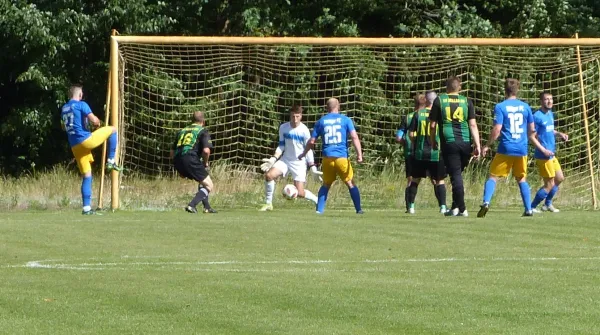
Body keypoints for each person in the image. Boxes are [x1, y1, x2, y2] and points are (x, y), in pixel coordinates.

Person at [477, 78, 546, 217]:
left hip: (506, 147)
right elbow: (532, 129)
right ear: (517, 90)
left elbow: (497, 129)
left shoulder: (500, 106)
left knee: (493, 176)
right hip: (521, 148)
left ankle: (486, 202)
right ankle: (528, 209)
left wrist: (487, 145)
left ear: (505, 90)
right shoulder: (525, 107)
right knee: (521, 179)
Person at [60, 84, 121, 215]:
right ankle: (111, 160)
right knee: (113, 130)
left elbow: (64, 127)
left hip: (75, 146)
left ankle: (86, 208)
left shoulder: (64, 108)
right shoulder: (82, 105)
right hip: (85, 141)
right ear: (80, 95)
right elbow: (94, 120)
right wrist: (97, 122)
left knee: (87, 176)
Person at [298, 98, 363, 214]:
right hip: (341, 158)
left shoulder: (321, 121)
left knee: (326, 184)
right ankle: (359, 210)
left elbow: (312, 141)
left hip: (327, 158)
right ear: (339, 106)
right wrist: (359, 155)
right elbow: (354, 137)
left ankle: (319, 210)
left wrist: (303, 153)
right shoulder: (346, 120)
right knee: (350, 183)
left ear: (327, 108)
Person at [429, 77, 481, 217]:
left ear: (447, 87)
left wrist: (433, 141)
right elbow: (473, 125)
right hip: (465, 143)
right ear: (460, 87)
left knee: (455, 175)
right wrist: (478, 145)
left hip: (449, 142)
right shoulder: (467, 101)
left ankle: (463, 209)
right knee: (457, 173)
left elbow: (433, 125)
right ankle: (455, 207)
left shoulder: (440, 100)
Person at [258, 105, 323, 211]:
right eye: (293, 116)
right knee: (269, 175)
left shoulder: (304, 130)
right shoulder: (283, 128)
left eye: (297, 116)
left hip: (299, 163)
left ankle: (317, 200)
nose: (295, 119)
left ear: (301, 116)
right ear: (290, 116)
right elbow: (281, 145)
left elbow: (309, 149)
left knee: (300, 193)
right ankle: (268, 204)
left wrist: (312, 167)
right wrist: (273, 159)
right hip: (285, 160)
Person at [396, 91, 438, 213]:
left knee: (411, 180)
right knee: (436, 180)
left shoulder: (409, 117)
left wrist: (407, 144)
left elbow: (398, 137)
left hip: (411, 153)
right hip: (429, 151)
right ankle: (442, 205)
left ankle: (409, 207)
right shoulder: (432, 115)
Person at [408, 93, 448, 214]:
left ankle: (411, 207)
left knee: (415, 180)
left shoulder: (418, 114)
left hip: (420, 152)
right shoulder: (440, 114)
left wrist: (417, 140)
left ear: (426, 100)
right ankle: (443, 207)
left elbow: (411, 134)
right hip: (435, 153)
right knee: (439, 180)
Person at [171, 111, 217, 214]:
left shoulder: (182, 131)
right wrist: (205, 163)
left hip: (178, 159)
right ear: (203, 121)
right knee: (209, 185)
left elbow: (172, 152)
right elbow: (206, 151)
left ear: (192, 121)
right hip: (190, 158)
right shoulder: (202, 131)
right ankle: (192, 205)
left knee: (202, 180)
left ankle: (207, 207)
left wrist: (179, 167)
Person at [530, 92, 568, 213]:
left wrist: (559, 134)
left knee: (560, 178)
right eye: (546, 99)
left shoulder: (550, 114)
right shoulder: (537, 116)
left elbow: (549, 130)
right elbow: (532, 137)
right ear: (541, 101)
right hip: (543, 155)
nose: (549, 101)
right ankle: (532, 207)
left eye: (551, 99)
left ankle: (547, 204)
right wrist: (543, 150)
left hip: (551, 154)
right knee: (549, 184)